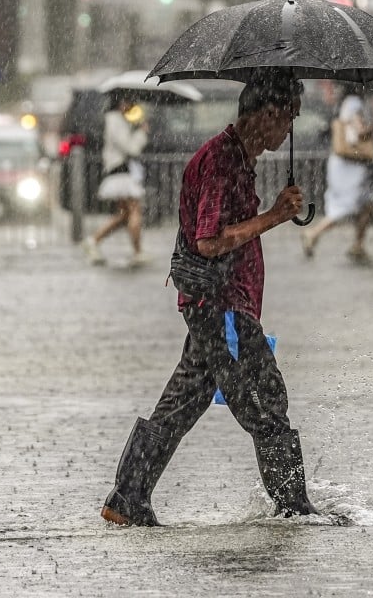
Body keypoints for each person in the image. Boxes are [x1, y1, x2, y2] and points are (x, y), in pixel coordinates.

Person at [100, 70, 318, 527]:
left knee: (182, 401)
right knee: (266, 401)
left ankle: (127, 498)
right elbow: (209, 241)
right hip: (222, 309)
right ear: (268, 113)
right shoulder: (221, 162)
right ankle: (295, 508)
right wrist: (274, 215)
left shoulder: (237, 158)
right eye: (289, 118)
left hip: (215, 309)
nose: (290, 130)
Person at [300, 83, 373, 262]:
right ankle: (313, 233)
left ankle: (358, 244)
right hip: (350, 164)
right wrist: (371, 129)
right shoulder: (354, 102)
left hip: (346, 162)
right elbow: (359, 131)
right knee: (347, 206)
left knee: (367, 203)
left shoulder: (344, 103)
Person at [82, 95, 150, 267]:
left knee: (124, 215)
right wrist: (141, 133)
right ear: (122, 103)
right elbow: (130, 148)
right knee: (135, 211)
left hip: (118, 171)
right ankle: (138, 251)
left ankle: (93, 240)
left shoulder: (116, 120)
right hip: (120, 172)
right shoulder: (115, 120)